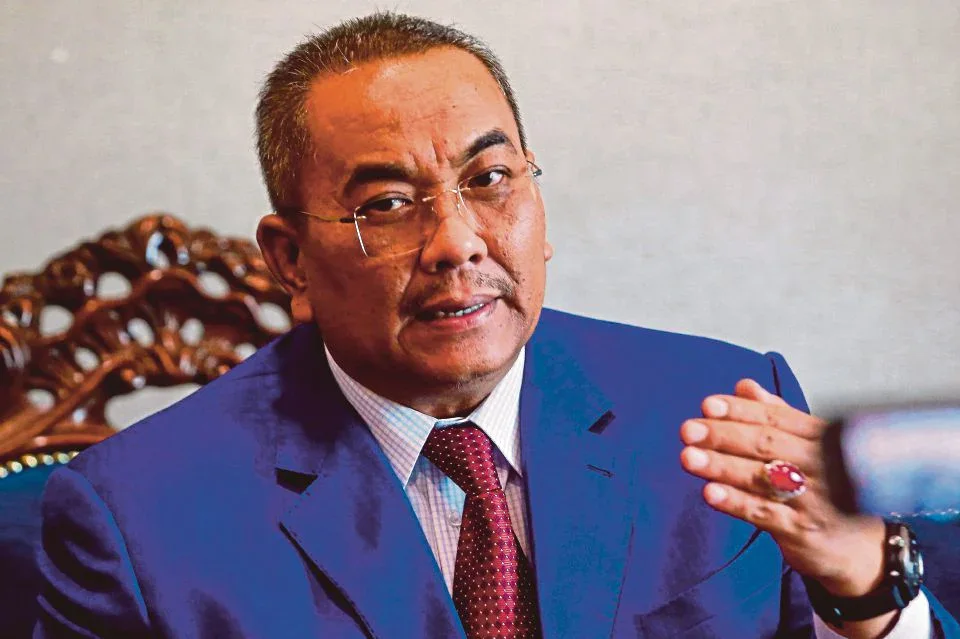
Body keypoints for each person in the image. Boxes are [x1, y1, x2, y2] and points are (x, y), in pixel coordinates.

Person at [33, 12, 958, 638]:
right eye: (387, 204)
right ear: (290, 259)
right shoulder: (134, 520)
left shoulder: (719, 407)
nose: (457, 242)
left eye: (489, 180)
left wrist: (864, 586)